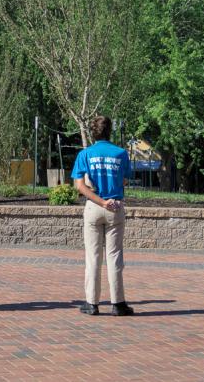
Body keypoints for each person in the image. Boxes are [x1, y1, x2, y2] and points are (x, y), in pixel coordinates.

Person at [71, 115, 135, 316]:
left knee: (93, 257)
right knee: (114, 256)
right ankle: (118, 303)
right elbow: (124, 180)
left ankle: (92, 303)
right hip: (115, 207)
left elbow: (79, 186)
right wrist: (109, 199)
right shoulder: (121, 154)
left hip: (94, 206)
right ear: (110, 131)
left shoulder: (85, 154)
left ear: (93, 133)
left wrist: (100, 201)